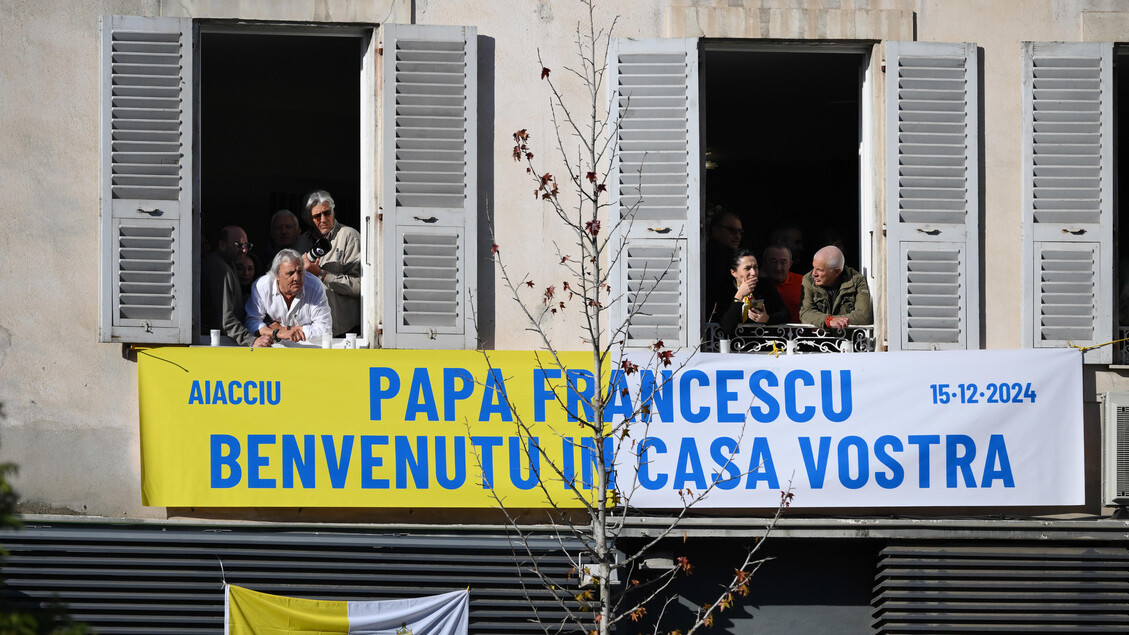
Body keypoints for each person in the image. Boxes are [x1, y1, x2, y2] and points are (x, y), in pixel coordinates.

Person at [295, 190, 361, 336]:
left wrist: (321, 273)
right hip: (309, 328)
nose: (323, 219)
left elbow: (360, 286)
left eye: (327, 213)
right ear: (308, 219)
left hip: (343, 328)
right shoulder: (301, 241)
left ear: (333, 212)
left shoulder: (348, 236)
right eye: (317, 216)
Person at [201, 225, 271, 347]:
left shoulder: (227, 265)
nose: (244, 250)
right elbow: (226, 319)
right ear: (222, 245)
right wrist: (251, 340)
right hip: (217, 344)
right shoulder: (220, 269)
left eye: (246, 246)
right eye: (239, 245)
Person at [246, 249, 333, 343]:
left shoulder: (315, 286)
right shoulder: (261, 286)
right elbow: (251, 322)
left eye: (300, 272)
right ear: (277, 275)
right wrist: (277, 333)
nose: (297, 278)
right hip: (274, 345)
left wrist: (286, 329)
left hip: (308, 346)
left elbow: (325, 328)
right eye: (290, 273)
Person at [718, 248, 789, 338]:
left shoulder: (765, 285)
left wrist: (767, 318)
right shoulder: (726, 289)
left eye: (755, 267)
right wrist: (739, 296)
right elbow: (727, 327)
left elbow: (785, 314)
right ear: (733, 272)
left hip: (762, 345)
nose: (754, 273)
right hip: (734, 346)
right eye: (747, 268)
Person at [800, 245, 873, 329]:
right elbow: (805, 313)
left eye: (820, 270)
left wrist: (836, 321)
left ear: (837, 271)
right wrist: (828, 320)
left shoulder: (857, 280)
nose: (814, 273)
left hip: (848, 340)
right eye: (814, 267)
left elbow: (863, 317)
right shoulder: (808, 279)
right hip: (817, 340)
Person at [704, 210, 745, 322]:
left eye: (740, 232)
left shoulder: (731, 255)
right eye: (732, 230)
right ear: (715, 230)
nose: (737, 236)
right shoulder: (713, 254)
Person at [762, 243, 802, 323]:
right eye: (773, 262)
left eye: (783, 262)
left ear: (790, 264)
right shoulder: (758, 285)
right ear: (765, 263)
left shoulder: (804, 283)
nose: (778, 268)